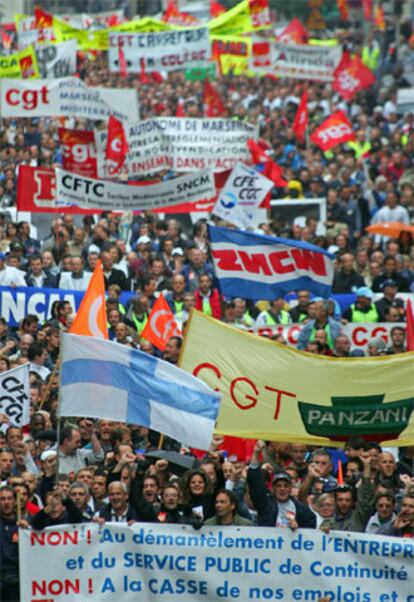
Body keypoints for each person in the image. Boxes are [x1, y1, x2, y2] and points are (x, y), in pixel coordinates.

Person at [247, 441, 316, 529]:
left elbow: (312, 530)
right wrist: (256, 453)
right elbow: (255, 484)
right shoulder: (266, 505)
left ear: (291, 488)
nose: (282, 489)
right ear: (273, 488)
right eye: (278, 486)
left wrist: (299, 529)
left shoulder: (301, 509)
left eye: (286, 486)